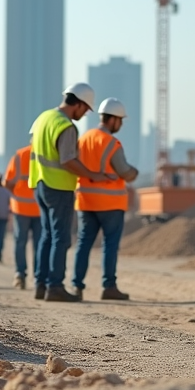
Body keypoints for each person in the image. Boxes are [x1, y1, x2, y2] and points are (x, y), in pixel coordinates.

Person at [28, 82, 109, 302]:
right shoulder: (66, 126)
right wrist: (93, 174)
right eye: (85, 109)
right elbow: (67, 160)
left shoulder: (43, 118)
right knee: (61, 239)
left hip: (40, 183)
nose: (84, 114)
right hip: (59, 187)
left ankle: (40, 284)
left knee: (46, 236)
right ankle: (55, 287)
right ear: (79, 104)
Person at [71, 98, 139, 301]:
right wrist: (134, 172)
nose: (121, 125)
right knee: (110, 245)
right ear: (113, 120)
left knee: (83, 243)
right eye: (120, 120)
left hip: (85, 200)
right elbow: (125, 171)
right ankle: (108, 286)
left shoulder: (83, 138)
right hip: (110, 203)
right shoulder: (111, 142)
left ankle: (76, 286)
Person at [5, 144, 41, 290]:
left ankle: (20, 275)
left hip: (20, 207)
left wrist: (16, 195)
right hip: (40, 208)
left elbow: (7, 182)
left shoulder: (20, 155)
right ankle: (39, 278)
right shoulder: (47, 153)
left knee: (20, 242)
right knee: (39, 245)